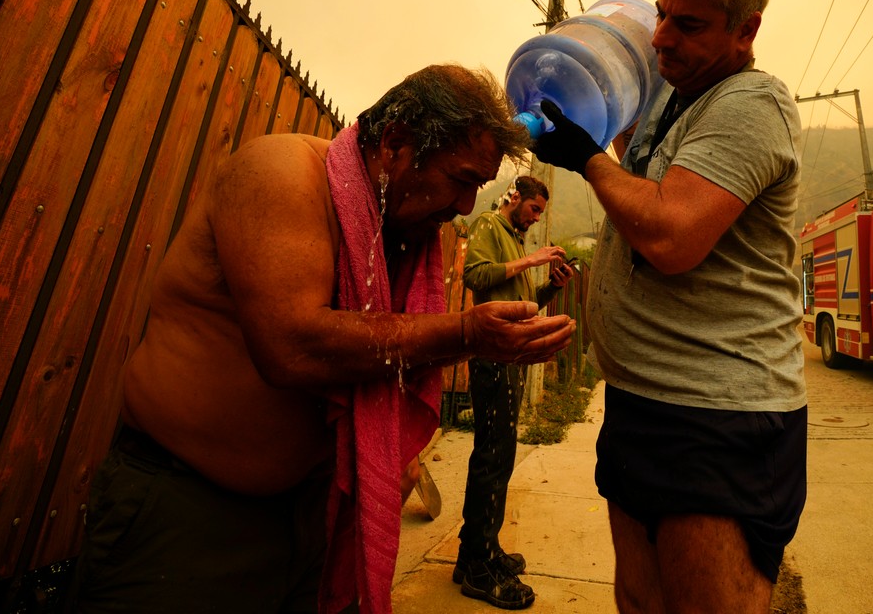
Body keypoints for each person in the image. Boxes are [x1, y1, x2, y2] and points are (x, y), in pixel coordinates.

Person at [75, 64, 576, 614]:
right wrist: (465, 334)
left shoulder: (394, 230)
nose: (462, 206)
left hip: (309, 517)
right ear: (396, 142)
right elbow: (291, 344)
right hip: (185, 515)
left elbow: (376, 353)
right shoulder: (283, 172)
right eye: (460, 180)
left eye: (477, 189)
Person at [534, 0, 807, 613]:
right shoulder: (672, 102)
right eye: (661, 14)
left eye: (688, 25)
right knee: (640, 598)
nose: (661, 39)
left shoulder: (750, 104)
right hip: (641, 402)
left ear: (746, 30)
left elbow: (671, 235)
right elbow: (624, 124)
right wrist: (588, 82)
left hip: (716, 415)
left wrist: (586, 158)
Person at [455, 175, 575, 609]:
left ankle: (477, 552)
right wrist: (531, 261)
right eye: (534, 210)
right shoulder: (489, 224)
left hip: (510, 358)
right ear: (516, 200)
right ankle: (478, 567)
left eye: (541, 211)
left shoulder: (515, 240)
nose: (536, 217)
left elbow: (524, 304)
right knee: (492, 457)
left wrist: (551, 285)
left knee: (499, 455)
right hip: (491, 358)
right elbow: (475, 275)